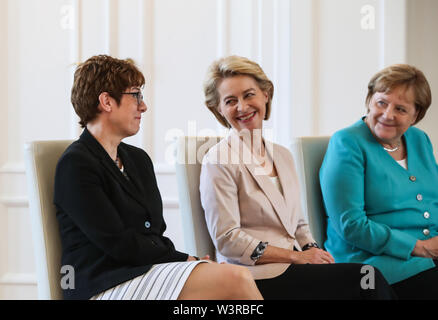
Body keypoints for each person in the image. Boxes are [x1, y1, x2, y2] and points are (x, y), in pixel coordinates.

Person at [53, 54, 263, 300]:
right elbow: (118, 243)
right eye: (136, 96)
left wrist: (186, 262)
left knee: (228, 285)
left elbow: (154, 232)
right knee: (236, 279)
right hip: (101, 285)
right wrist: (185, 260)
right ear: (107, 101)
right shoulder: (76, 164)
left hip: (143, 274)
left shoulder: (137, 159)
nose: (143, 106)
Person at [199, 55, 396, 299]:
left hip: (294, 268)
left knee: (368, 280)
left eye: (249, 95)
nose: (242, 106)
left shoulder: (282, 155)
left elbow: (298, 222)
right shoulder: (218, 159)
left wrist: (313, 251)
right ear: (218, 109)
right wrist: (297, 256)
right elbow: (227, 239)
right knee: (368, 279)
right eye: (230, 101)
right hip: (254, 277)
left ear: (265, 95)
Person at [319, 64, 438, 299]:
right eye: (381, 103)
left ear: (416, 115)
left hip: (427, 256)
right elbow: (351, 225)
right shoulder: (347, 143)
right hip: (372, 264)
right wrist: (420, 247)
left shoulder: (419, 139)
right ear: (369, 100)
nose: (388, 114)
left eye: (401, 109)